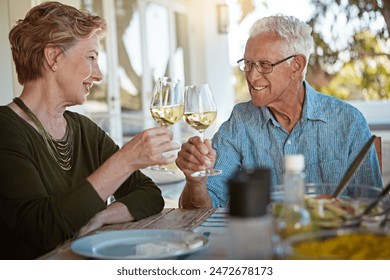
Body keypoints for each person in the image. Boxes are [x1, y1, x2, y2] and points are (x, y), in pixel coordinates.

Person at [0, 2, 178, 259]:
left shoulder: (84, 129)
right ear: (53, 57)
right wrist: (125, 160)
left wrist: (102, 215)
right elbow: (42, 229)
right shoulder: (5, 129)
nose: (99, 75)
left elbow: (149, 195)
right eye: (91, 58)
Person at [175, 15, 383, 209]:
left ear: (296, 66)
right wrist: (196, 181)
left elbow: (373, 207)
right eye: (248, 64)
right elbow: (204, 209)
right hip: (259, 244)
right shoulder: (240, 122)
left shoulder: (348, 121)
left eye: (264, 65)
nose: (252, 77)